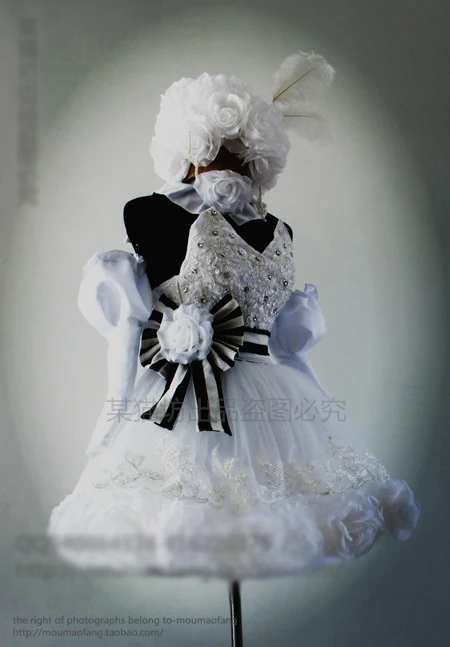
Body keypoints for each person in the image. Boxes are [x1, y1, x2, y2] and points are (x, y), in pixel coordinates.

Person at [47, 51, 420, 582]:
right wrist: (113, 415)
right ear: (192, 144)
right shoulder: (150, 213)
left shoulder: (281, 230)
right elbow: (129, 328)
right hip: (190, 406)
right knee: (196, 510)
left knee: (280, 510)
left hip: (276, 403)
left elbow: (288, 344)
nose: (229, 157)